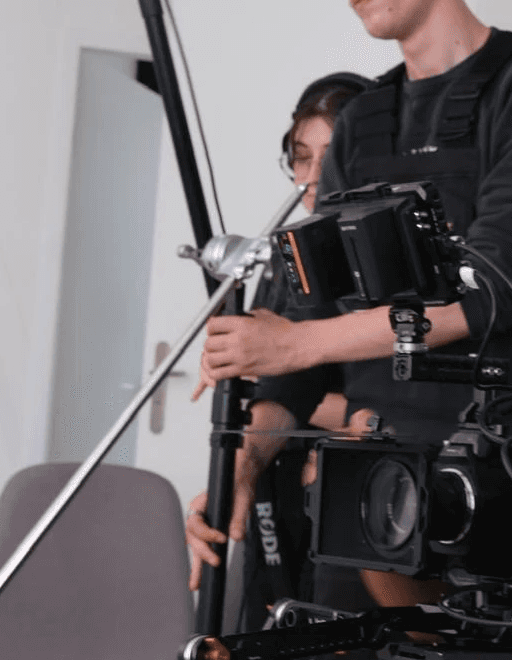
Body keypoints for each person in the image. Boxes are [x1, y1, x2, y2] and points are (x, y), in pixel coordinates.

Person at [192, 0, 512, 606]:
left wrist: (294, 343)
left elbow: (486, 296)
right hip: (363, 484)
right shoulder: (361, 122)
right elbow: (307, 331)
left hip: (494, 479)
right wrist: (240, 470)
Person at [183, 72, 374, 628]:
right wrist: (239, 466)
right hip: (279, 486)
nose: (310, 178)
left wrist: (291, 377)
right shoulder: (285, 260)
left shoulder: (393, 265)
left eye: (330, 158)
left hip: (363, 507)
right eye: (300, 157)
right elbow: (275, 395)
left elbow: (383, 413)